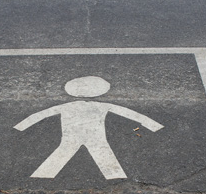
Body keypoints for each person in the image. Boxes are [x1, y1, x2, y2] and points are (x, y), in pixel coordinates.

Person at [14, 76, 163, 179]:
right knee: (102, 153)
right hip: (95, 136)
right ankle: (114, 176)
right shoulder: (102, 106)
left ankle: (44, 175)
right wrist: (152, 125)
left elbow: (41, 114)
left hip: (73, 136)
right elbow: (128, 113)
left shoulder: (67, 106)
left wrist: (21, 126)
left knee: (65, 152)